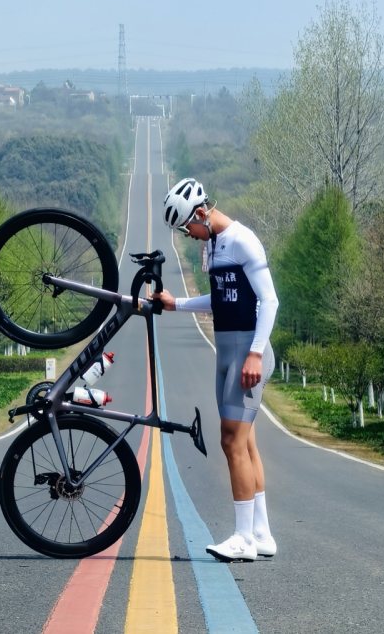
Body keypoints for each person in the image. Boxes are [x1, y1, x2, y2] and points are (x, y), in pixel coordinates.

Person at [155, 177, 279, 563]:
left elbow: (270, 301)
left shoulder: (242, 240)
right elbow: (223, 298)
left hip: (246, 353)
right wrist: (177, 305)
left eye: (186, 227)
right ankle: (261, 534)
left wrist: (255, 354)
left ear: (200, 213)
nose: (188, 235)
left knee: (231, 442)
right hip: (226, 350)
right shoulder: (214, 245)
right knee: (246, 442)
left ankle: (242, 538)